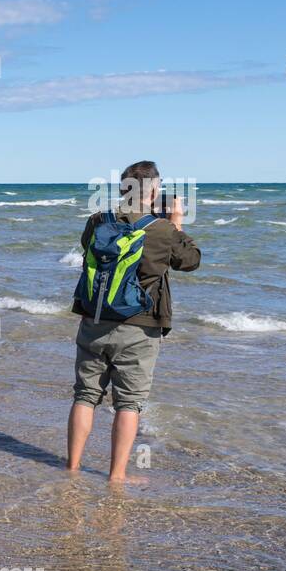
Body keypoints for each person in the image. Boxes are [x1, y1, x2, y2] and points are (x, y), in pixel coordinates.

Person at [65, 160, 201, 484]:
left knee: (85, 396)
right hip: (140, 327)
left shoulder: (98, 220)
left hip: (94, 319)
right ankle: (117, 476)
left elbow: (88, 249)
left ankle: (71, 468)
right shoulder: (162, 229)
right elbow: (191, 261)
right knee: (128, 403)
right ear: (154, 190)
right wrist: (176, 220)